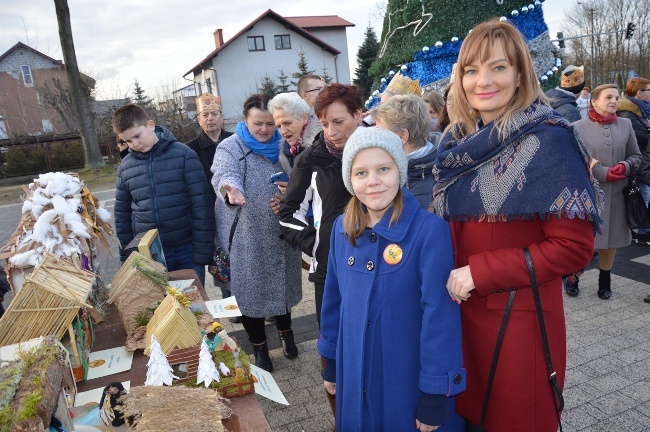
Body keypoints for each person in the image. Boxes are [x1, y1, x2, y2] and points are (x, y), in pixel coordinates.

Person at [431, 20, 601, 431]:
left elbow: (574, 248)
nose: (482, 81)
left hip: (514, 328)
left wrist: (481, 272)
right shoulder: (457, 142)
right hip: (458, 323)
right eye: (471, 70)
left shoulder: (550, 139)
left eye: (498, 68)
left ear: (521, 73)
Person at [318, 127, 465, 431]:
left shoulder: (428, 231)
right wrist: (331, 361)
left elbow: (440, 317)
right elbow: (333, 302)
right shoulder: (341, 229)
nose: (372, 181)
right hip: (354, 374)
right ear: (350, 180)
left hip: (404, 381)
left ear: (399, 171)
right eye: (361, 173)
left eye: (383, 169)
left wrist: (435, 392)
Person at [278, 83, 363, 416]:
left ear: (359, 115)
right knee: (335, 351)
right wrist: (316, 244)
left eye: (339, 121)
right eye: (325, 123)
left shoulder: (379, 148)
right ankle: (342, 417)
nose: (332, 131)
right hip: (331, 272)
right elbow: (287, 215)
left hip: (382, 264)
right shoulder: (310, 159)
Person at [211, 94, 302, 372]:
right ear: (245, 121)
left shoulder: (285, 147)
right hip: (246, 236)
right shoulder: (231, 146)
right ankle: (259, 347)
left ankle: (286, 333)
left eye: (270, 124)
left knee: (282, 286)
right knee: (250, 294)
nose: (264, 130)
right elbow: (223, 172)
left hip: (281, 232)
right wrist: (231, 189)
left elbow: (301, 180)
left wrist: (289, 198)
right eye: (257, 123)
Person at [113, 104, 214, 286]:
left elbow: (202, 206)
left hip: (187, 250)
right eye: (127, 141)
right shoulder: (125, 167)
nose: (134, 144)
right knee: (160, 309)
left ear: (151, 125)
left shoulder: (183, 155)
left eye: (137, 136)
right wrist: (127, 257)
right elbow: (122, 217)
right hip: (149, 254)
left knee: (194, 308)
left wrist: (202, 252)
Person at [574, 84, 641, 299]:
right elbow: (574, 161)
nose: (614, 100)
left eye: (616, 97)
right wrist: (602, 172)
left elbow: (636, 156)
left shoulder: (626, 124)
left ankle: (605, 281)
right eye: (608, 97)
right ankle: (573, 276)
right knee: (583, 240)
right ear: (594, 101)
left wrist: (626, 166)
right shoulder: (576, 127)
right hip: (589, 194)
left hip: (618, 193)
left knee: (611, 240)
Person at [185, 93, 236, 315]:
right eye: (205, 115)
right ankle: (230, 309)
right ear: (198, 118)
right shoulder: (190, 150)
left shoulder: (236, 141)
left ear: (222, 117)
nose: (210, 119)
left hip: (236, 211)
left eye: (214, 114)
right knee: (221, 263)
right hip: (209, 216)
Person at [374, 94, 438, 209]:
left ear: (402, 136)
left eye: (381, 133)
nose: (377, 139)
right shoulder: (386, 168)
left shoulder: (441, 177)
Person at [617, 77, 650, 245]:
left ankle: (642, 229)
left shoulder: (642, 110)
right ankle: (643, 231)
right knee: (643, 194)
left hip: (644, 158)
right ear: (640, 93)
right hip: (639, 160)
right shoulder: (627, 112)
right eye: (649, 90)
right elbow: (638, 137)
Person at [297, 74, 326, 146]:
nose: (324, 92)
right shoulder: (294, 118)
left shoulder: (326, 115)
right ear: (305, 95)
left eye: (324, 89)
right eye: (319, 89)